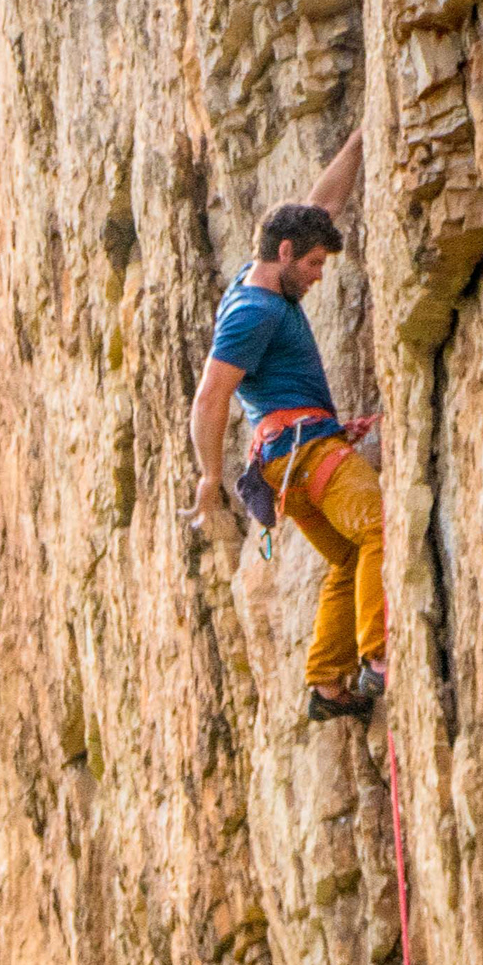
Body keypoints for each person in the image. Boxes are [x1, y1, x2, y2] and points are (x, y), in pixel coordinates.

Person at [191, 130, 384, 722]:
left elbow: (319, 206)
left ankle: (328, 685)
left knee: (351, 559)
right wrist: (208, 477)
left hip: (293, 460)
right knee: (380, 525)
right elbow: (210, 397)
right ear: (283, 255)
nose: (320, 275)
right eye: (314, 264)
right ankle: (381, 659)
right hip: (302, 454)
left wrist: (356, 140)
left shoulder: (259, 279)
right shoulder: (253, 312)